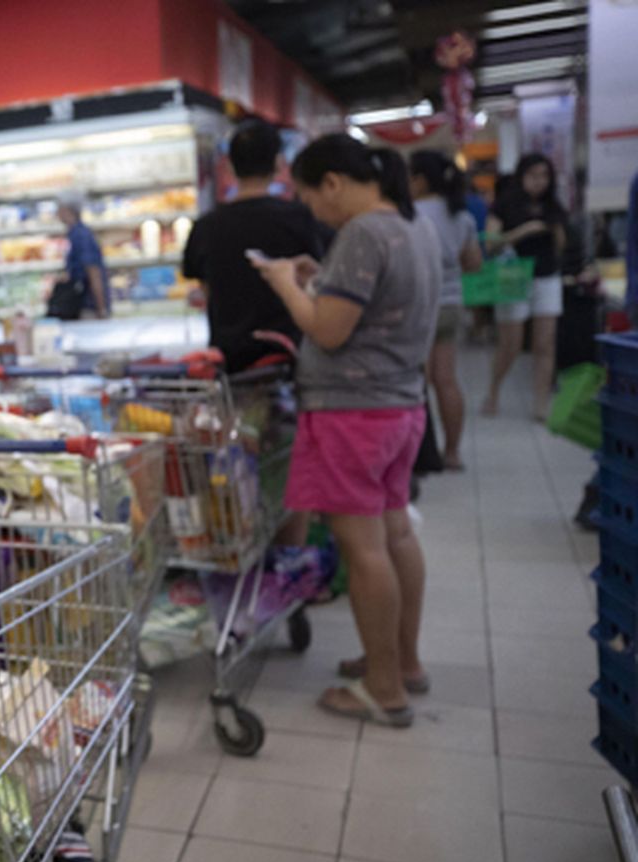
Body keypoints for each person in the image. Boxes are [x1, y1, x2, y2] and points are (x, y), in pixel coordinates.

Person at [253, 134, 441, 727]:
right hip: (401, 406)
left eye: (311, 197)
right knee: (396, 536)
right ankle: (402, 662)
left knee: (362, 549)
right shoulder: (413, 225)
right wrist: (322, 279)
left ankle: (384, 689)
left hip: (352, 413)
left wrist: (286, 284)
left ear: (332, 182)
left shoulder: (361, 232)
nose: (313, 210)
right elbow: (369, 310)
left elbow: (329, 332)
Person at [182, 119, 325, 372]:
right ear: (279, 163)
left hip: (229, 361)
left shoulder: (206, 226)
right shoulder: (302, 217)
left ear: (228, 166)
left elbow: (204, 290)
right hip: (293, 357)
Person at [409, 150, 483, 470]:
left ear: (421, 180)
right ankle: (452, 453)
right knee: (446, 379)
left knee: (417, 382)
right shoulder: (461, 214)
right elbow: (474, 263)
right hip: (451, 304)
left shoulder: (410, 213)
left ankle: (418, 456)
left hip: (417, 306)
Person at [485, 153, 568, 420]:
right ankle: (494, 390)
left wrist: (556, 232)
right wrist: (526, 230)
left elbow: (562, 245)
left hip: (547, 275)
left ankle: (541, 402)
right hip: (513, 275)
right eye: (533, 175)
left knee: (545, 343)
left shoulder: (554, 206)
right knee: (512, 343)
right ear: (522, 176)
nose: (539, 182)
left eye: (544, 176)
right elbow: (491, 243)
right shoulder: (504, 205)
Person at [48, 197, 108, 319]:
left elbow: (93, 271)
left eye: (58, 209)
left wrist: (101, 308)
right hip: (82, 304)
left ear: (66, 210)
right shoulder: (74, 233)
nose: (57, 213)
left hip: (88, 305)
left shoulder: (81, 235)